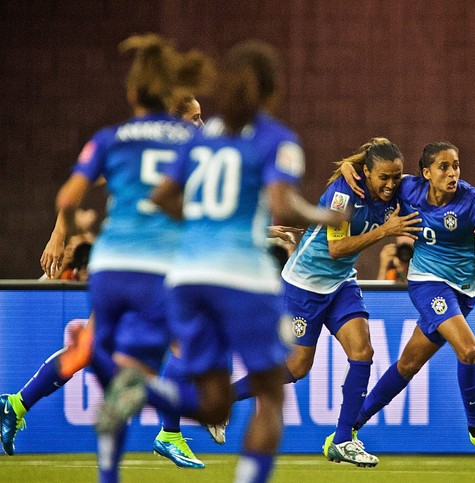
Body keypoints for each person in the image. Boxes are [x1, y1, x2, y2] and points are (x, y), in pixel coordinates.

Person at [135, 39, 349, 483]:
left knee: (212, 402)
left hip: (189, 277)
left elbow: (159, 198)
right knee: (271, 394)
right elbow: (284, 206)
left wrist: (201, 227)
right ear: (272, 89)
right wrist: (325, 214)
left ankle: (139, 388)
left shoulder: (203, 135)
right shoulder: (277, 139)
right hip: (240, 278)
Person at [0, 43, 215, 470]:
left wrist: (59, 234)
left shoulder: (113, 138)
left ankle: (16, 404)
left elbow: (70, 193)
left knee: (95, 351)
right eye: (194, 117)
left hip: (110, 266)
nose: (200, 123)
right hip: (155, 268)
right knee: (191, 344)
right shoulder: (195, 147)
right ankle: (169, 432)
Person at [226, 137, 422, 467]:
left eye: (396, 176)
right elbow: (336, 249)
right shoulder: (344, 194)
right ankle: (225, 400)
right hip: (304, 284)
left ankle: (343, 439)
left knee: (363, 352)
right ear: (367, 173)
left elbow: (417, 184)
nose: (391, 184)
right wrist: (385, 230)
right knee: (296, 367)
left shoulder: (396, 189)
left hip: (341, 282)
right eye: (384, 177)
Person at [341, 141, 475, 462]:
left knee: (408, 364)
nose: (452, 173)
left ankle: (350, 428)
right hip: (427, 284)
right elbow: (367, 171)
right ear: (426, 173)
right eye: (444, 167)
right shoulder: (407, 189)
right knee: (468, 350)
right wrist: (348, 168)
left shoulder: (472, 200)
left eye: (455, 165)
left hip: (463, 292)